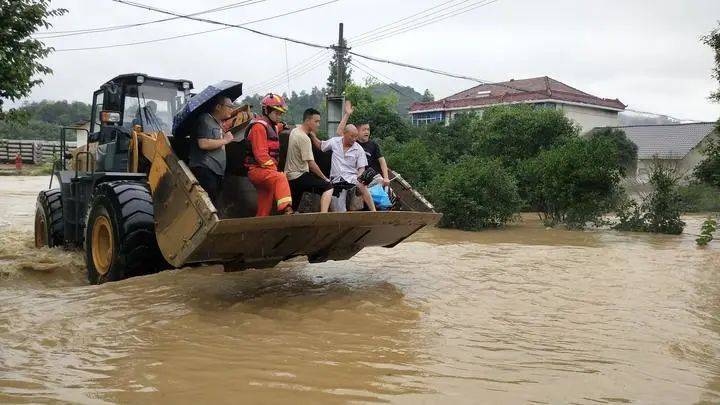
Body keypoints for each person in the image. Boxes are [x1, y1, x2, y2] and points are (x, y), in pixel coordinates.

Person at [309, 101, 375, 212]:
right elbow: (321, 146)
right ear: (344, 134)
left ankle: (374, 211)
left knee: (362, 186)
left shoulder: (358, 148)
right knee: (339, 209)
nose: (354, 139)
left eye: (355, 137)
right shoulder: (335, 142)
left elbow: (362, 168)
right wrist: (312, 136)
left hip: (352, 179)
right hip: (336, 180)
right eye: (351, 137)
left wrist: (360, 177)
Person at [244, 93, 293, 216]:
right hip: (257, 170)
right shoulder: (258, 127)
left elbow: (275, 130)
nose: (279, 116)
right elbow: (261, 156)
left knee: (265, 204)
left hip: (265, 171)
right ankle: (287, 209)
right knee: (280, 177)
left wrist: (283, 126)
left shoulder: (271, 126)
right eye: (276, 113)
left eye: (280, 113)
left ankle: (259, 225)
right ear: (266, 110)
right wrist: (274, 171)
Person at [188, 95, 234, 206]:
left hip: (216, 171)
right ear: (218, 107)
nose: (232, 109)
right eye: (229, 106)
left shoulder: (218, 123)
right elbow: (203, 143)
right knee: (207, 205)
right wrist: (226, 140)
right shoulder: (205, 119)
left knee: (214, 202)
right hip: (205, 169)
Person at [284, 108, 333, 212]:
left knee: (293, 208)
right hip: (299, 176)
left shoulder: (295, 131)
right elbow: (311, 164)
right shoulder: (304, 138)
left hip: (289, 176)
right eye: (316, 121)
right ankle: (324, 215)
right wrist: (325, 178)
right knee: (328, 187)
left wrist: (311, 134)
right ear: (307, 121)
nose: (318, 124)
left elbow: (298, 126)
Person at [356, 122, 391, 188]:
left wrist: (386, 177)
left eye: (368, 129)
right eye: (364, 130)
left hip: (373, 176)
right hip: (358, 177)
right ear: (356, 131)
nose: (366, 132)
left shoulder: (373, 145)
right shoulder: (353, 144)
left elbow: (382, 161)